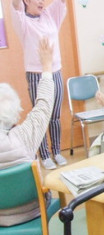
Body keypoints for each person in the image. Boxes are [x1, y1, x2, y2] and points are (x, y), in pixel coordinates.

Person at [0, 38, 55, 235]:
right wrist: (47, 67)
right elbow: (44, 105)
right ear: (15, 112)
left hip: (2, 215)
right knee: (39, 189)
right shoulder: (24, 136)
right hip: (33, 208)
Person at [10, 0, 68, 170]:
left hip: (56, 70)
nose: (42, 2)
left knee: (55, 116)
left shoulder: (50, 15)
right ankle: (44, 155)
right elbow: (15, 4)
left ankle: (56, 151)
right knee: (41, 116)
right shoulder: (23, 21)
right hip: (36, 73)